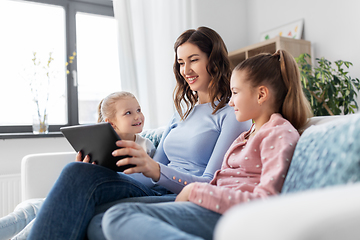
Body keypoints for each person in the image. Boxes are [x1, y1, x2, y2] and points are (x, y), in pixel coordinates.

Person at [27, 26, 251, 240]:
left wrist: (154, 168)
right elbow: (152, 176)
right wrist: (105, 170)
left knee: (97, 223)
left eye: (194, 60)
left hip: (182, 195)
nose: (186, 70)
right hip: (154, 190)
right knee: (79, 170)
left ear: (214, 60)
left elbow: (209, 183)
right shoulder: (181, 114)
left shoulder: (231, 114)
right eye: (181, 63)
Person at [96, 49, 313, 240]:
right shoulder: (249, 134)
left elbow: (266, 202)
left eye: (235, 93)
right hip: (208, 203)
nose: (230, 101)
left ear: (261, 94)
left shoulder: (278, 133)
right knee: (101, 220)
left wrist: (196, 191)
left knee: (118, 216)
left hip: (226, 213)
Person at [0, 91, 154, 240]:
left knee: (45, 210)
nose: (137, 116)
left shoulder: (145, 146)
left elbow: (148, 178)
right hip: (93, 189)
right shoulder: (101, 144)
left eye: (139, 110)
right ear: (111, 123)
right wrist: (85, 168)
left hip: (116, 192)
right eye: (128, 113)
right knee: (32, 209)